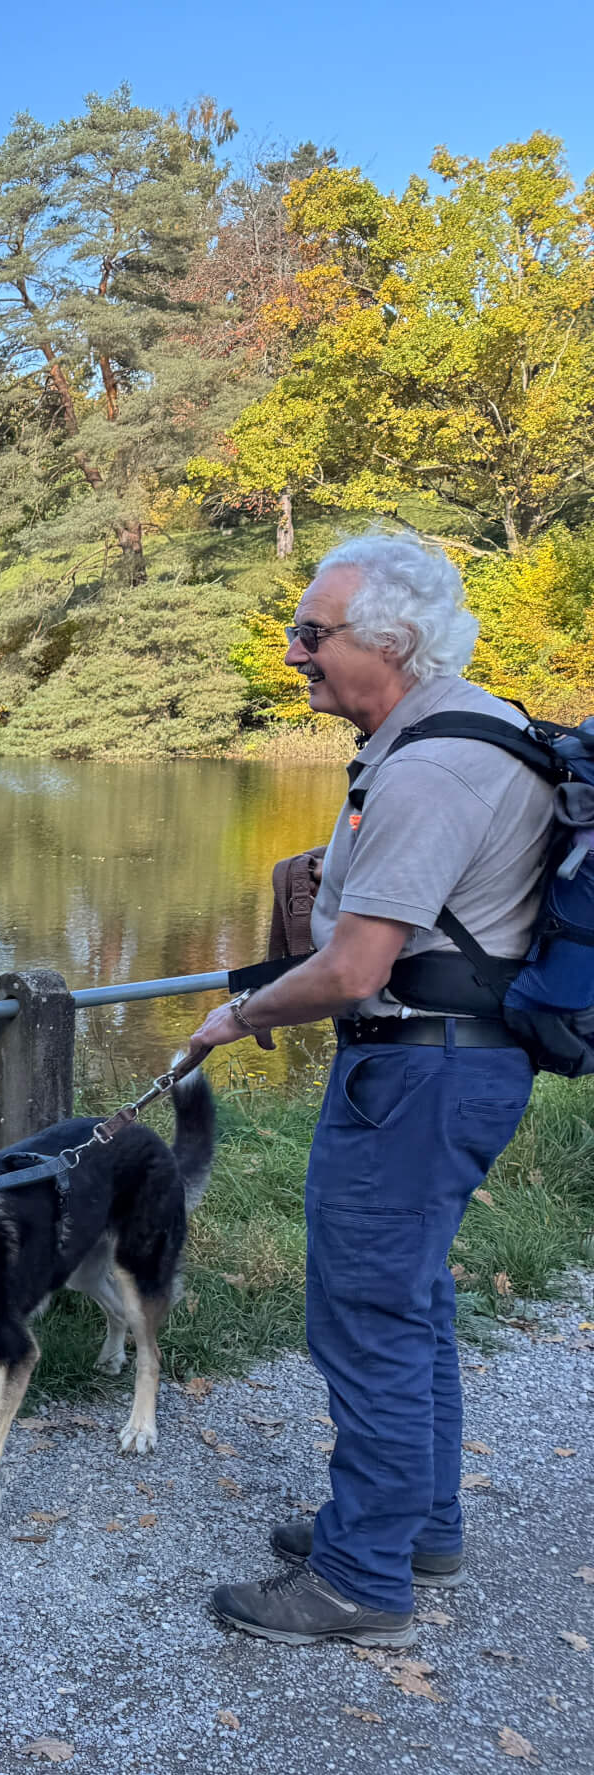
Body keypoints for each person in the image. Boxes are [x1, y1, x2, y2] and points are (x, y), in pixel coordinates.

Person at [182, 530, 554, 1647]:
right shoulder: (473, 727)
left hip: (417, 1074)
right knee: (410, 1302)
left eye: (312, 632)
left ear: (388, 642)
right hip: (453, 1063)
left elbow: (354, 970)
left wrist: (240, 1014)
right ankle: (414, 1527)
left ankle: (359, 1579)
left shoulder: (431, 771)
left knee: (367, 1316)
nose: (293, 653)